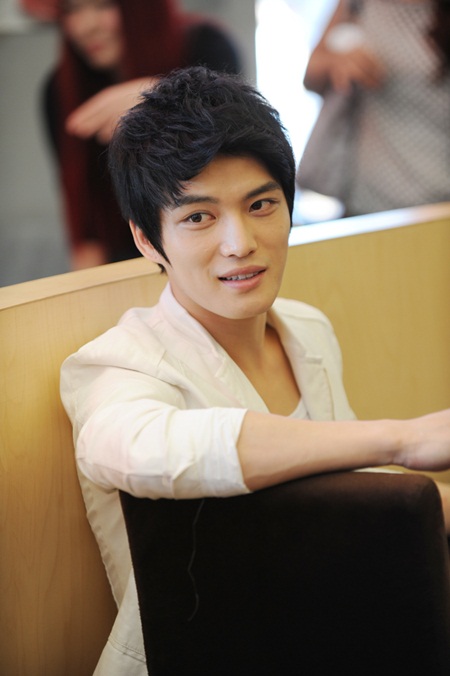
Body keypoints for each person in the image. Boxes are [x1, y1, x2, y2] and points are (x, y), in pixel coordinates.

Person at [60, 66, 450, 675]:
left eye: (261, 204)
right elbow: (133, 447)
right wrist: (403, 438)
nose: (240, 242)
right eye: (198, 217)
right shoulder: (119, 361)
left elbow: (351, 492)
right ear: (147, 240)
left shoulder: (307, 329)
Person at [41, 0, 241, 270]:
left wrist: (158, 98)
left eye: (103, 5)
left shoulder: (205, 46)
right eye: (72, 10)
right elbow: (85, 217)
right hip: (126, 264)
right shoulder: (60, 90)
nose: (86, 26)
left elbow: (233, 159)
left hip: (216, 247)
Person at [301, 0, 450, 216]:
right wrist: (338, 62)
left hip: (439, 201)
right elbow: (310, 75)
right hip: (364, 197)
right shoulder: (359, 3)